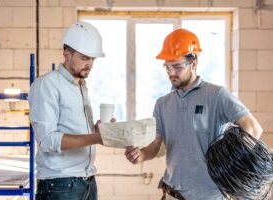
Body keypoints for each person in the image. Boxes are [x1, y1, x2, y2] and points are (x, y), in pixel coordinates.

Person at [124, 28, 263, 200]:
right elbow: (155, 145)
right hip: (173, 193)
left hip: (210, 195)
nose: (171, 73)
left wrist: (232, 167)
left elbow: (253, 128)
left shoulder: (216, 95)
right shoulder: (162, 104)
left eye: (177, 66)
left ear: (194, 63)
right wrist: (142, 154)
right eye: (167, 67)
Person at [28, 21, 105, 200]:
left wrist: (98, 130)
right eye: (85, 58)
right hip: (60, 185)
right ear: (67, 55)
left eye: (93, 59)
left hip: (86, 181)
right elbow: (48, 139)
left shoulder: (80, 85)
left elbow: (74, 131)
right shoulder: (47, 85)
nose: (90, 64)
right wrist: (95, 138)